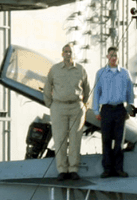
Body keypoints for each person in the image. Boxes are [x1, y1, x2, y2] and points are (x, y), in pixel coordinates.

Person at [43, 43, 90, 181]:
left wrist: (83, 105)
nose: (68, 54)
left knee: (75, 140)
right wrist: (50, 104)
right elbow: (47, 88)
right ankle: (62, 170)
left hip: (76, 108)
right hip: (59, 107)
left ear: (73, 54)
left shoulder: (81, 70)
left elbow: (87, 89)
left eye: (70, 52)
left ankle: (74, 169)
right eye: (66, 51)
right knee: (60, 139)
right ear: (62, 53)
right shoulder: (55, 69)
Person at [92, 46, 134, 178]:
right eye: (111, 55)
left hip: (120, 109)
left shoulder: (125, 73)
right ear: (107, 57)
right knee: (106, 140)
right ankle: (107, 169)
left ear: (118, 57)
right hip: (106, 109)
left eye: (115, 55)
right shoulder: (101, 73)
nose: (113, 58)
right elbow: (96, 93)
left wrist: (130, 106)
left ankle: (118, 169)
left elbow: (130, 92)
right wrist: (95, 110)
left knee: (119, 141)